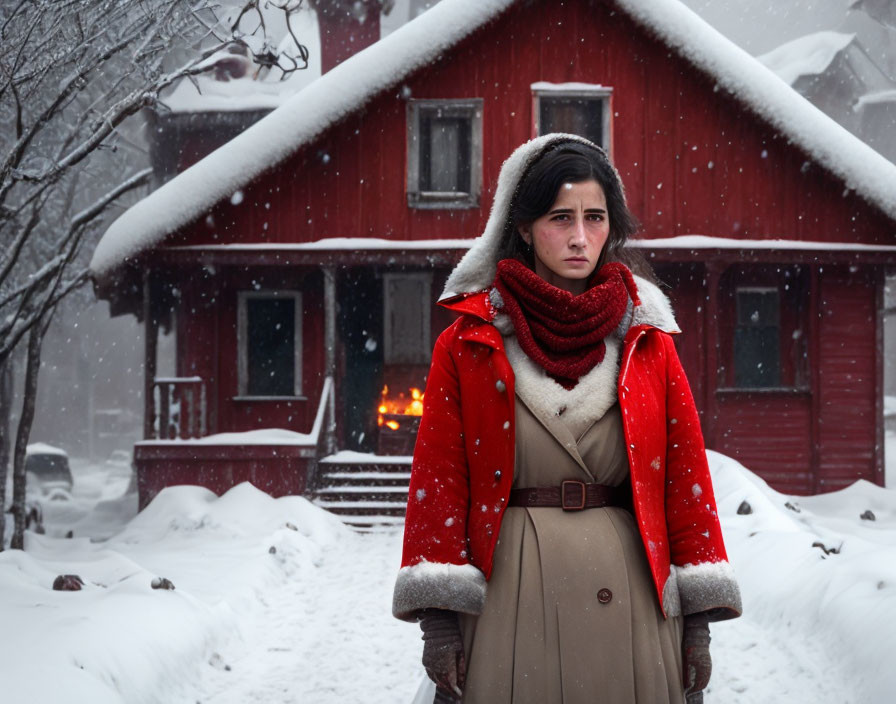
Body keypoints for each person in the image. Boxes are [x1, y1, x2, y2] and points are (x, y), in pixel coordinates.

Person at [392, 133, 742, 704]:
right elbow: (440, 482)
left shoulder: (646, 341)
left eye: (595, 217)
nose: (581, 237)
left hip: (631, 601)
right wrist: (438, 620)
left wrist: (697, 624)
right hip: (512, 601)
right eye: (560, 217)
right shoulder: (469, 343)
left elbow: (685, 479)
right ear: (524, 227)